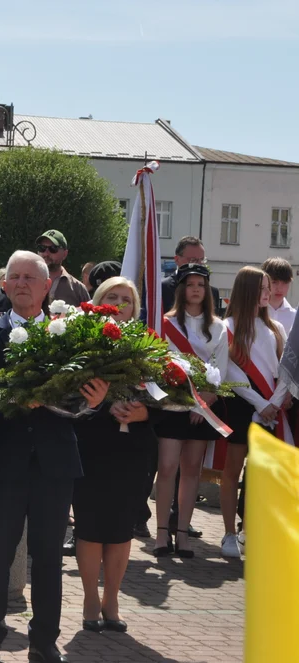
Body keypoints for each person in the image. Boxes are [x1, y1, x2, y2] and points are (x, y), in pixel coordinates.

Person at [0, 250, 109, 663]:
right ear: (4, 286)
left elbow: (85, 400)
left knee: (47, 557)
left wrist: (97, 401)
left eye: (32, 277)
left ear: (49, 287)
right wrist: (13, 398)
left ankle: (45, 640)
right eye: (16, 277)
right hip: (0, 465)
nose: (23, 283)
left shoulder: (73, 338)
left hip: (54, 465)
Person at [74, 277, 154, 634]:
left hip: (133, 449)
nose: (121, 304)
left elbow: (169, 396)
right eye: (113, 297)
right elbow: (65, 394)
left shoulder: (150, 347)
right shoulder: (81, 342)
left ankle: (113, 599)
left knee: (121, 529)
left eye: (127, 299)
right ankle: (91, 598)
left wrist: (145, 413)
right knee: (91, 527)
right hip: (92, 444)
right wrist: (101, 403)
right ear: (98, 301)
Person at [154, 264, 229, 559]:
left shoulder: (218, 327)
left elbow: (220, 371)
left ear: (207, 289)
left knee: (190, 472)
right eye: (190, 284)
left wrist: (202, 403)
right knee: (168, 468)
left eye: (200, 284)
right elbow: (160, 364)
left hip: (202, 410)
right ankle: (161, 533)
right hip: (172, 406)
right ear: (181, 289)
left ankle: (183, 533)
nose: (195, 289)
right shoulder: (166, 323)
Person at [220, 267, 292, 558]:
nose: (268, 292)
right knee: (232, 470)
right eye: (262, 287)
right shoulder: (226, 327)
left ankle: (248, 531)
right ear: (247, 289)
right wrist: (260, 403)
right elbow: (228, 373)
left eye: (268, 287)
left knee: (261, 475)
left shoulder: (276, 328)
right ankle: (227, 534)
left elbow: (285, 368)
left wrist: (275, 400)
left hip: (273, 409)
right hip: (242, 406)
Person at [36, 229, 90, 307]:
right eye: (42, 248)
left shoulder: (78, 289)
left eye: (53, 249)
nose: (46, 253)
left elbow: (88, 316)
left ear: (64, 254)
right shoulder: (28, 282)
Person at [263, 257, 296, 334]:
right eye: (274, 282)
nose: (280, 288)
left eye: (285, 283)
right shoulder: (254, 312)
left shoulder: (294, 316)